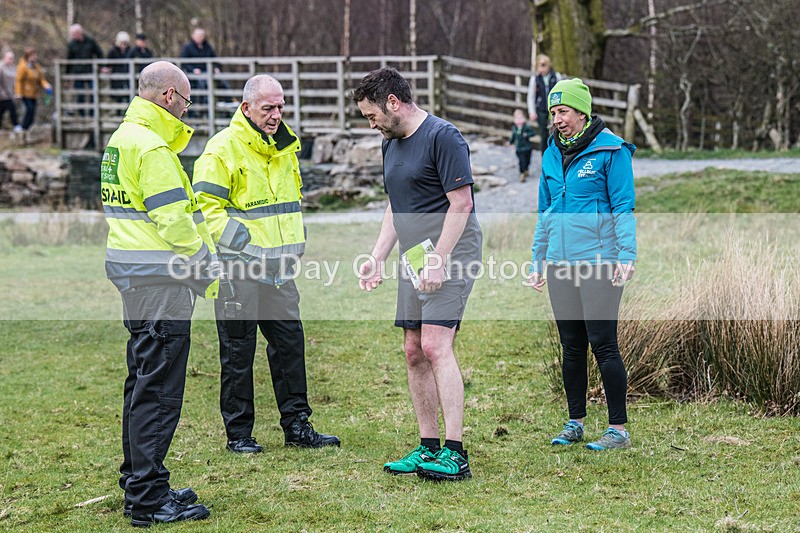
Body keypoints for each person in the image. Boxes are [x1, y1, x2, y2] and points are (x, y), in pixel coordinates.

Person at [193, 74, 340, 453]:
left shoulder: (286, 148)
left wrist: (296, 244)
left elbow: (288, 207)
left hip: (279, 272)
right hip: (237, 271)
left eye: (280, 107)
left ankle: (298, 427)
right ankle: (239, 435)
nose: (276, 115)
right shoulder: (221, 149)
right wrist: (248, 249)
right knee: (239, 353)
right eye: (268, 108)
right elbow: (206, 212)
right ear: (246, 108)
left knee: (290, 346)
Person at [351, 67, 482, 481]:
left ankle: (455, 454)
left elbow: (461, 204)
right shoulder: (389, 143)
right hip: (414, 257)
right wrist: (378, 256)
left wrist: (440, 259)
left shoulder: (444, 136)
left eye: (371, 115)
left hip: (452, 251)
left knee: (435, 344)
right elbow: (396, 206)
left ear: (393, 102)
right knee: (412, 349)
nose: (371, 124)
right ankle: (428, 448)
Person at [102, 60, 217, 526]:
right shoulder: (151, 146)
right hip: (161, 278)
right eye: (187, 101)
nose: (187, 111)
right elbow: (174, 221)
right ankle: (147, 498)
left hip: (134, 273)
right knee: (160, 389)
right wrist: (204, 263)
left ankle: (139, 477)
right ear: (169, 96)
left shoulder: (122, 138)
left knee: (141, 379)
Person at [525, 78, 637, 451]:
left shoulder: (612, 151)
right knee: (571, 346)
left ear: (582, 112)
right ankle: (575, 423)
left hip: (599, 262)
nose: (557, 119)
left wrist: (627, 255)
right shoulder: (550, 155)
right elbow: (546, 211)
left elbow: (623, 207)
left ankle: (618, 429)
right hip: (559, 263)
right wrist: (537, 259)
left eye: (564, 112)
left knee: (603, 343)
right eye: (553, 112)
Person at [526, 54, 562, 152]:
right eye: (540, 65)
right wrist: (532, 111)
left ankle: (556, 154)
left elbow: (561, 92)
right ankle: (544, 156)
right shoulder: (535, 79)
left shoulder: (556, 76)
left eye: (544, 65)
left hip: (554, 110)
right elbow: (531, 96)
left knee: (555, 132)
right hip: (541, 110)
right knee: (544, 133)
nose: (542, 68)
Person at [14, 47, 51, 131]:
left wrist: (46, 86)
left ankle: (28, 129)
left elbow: (41, 79)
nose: (35, 57)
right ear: (28, 57)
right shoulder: (22, 67)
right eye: (33, 56)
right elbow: (18, 81)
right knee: (29, 110)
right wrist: (18, 93)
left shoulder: (37, 67)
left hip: (33, 93)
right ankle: (23, 128)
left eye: (35, 56)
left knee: (33, 112)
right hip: (25, 93)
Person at [509, 108, 536, 182]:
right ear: (514, 120)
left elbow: (533, 133)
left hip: (527, 147)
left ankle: (526, 169)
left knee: (527, 160)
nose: (519, 120)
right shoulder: (514, 128)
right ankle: (522, 173)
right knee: (521, 161)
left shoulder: (527, 127)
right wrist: (510, 142)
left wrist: (527, 134)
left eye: (521, 118)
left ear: (524, 118)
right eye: (517, 118)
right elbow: (513, 136)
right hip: (519, 148)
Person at [0, 50, 22, 132]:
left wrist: (16, 92)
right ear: (4, 58)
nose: (11, 60)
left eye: (12, 58)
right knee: (11, 109)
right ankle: (16, 125)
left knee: (4, 112)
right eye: (9, 58)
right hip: (2, 95)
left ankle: (16, 126)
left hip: (9, 94)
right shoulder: (1, 67)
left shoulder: (13, 68)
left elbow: (16, 81)